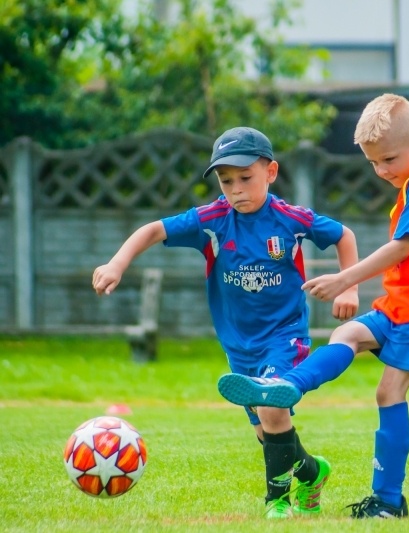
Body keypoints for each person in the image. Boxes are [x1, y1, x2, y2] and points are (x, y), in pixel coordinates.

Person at [217, 93, 409, 518]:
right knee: (349, 333)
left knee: (388, 391)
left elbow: (400, 248)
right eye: (373, 163)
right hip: (405, 308)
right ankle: (286, 389)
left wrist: (346, 278)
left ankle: (388, 502)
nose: (381, 171)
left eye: (388, 160)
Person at [92, 126, 360, 519]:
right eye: (226, 179)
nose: (236, 189)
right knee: (266, 431)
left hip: (284, 335)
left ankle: (277, 502)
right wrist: (116, 263)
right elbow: (152, 230)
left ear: (271, 172)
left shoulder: (289, 219)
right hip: (239, 344)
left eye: (245, 178)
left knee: (273, 410)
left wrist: (348, 286)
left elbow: (343, 234)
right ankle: (312, 471)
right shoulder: (212, 220)